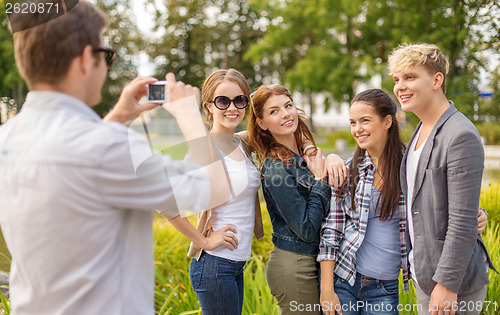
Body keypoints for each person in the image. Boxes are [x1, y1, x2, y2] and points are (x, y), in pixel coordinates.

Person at [0, 2, 232, 314]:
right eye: (106, 55)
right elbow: (214, 188)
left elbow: (77, 162)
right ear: (86, 59)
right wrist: (190, 114)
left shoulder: (8, 138)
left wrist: (118, 117)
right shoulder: (109, 147)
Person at [389, 43, 496, 315]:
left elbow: (462, 219)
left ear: (437, 80)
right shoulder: (420, 130)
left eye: (410, 77)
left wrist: (447, 283)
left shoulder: (460, 135)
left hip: (452, 283)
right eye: (396, 79)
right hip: (425, 273)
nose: (400, 86)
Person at [165, 69, 264, 315]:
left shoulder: (239, 143)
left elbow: (281, 131)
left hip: (235, 264)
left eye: (240, 100)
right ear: (209, 106)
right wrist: (204, 241)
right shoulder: (201, 152)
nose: (233, 108)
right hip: (215, 265)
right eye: (223, 101)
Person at [246, 84, 331, 315]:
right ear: (262, 124)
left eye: (288, 105)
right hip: (295, 266)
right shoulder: (275, 169)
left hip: (314, 261)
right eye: (274, 111)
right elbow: (306, 229)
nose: (285, 114)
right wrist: (320, 180)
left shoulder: (303, 156)